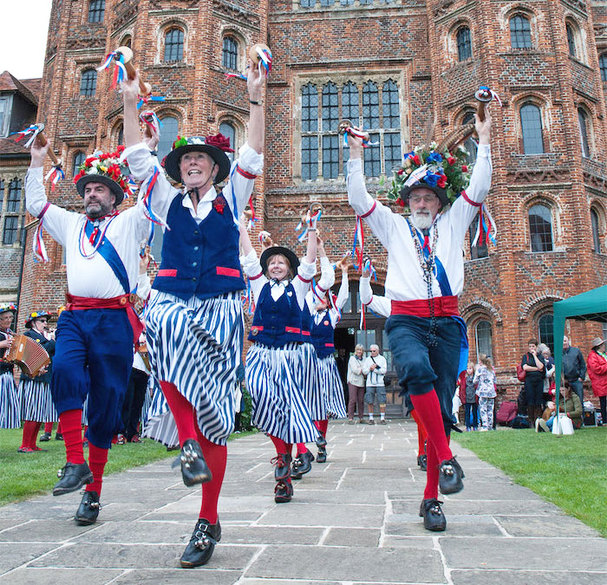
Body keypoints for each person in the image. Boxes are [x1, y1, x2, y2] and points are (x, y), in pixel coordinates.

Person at [121, 60, 265, 568]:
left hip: (222, 303)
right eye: (184, 160)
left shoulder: (234, 196)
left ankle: (208, 519)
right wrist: (130, 98)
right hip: (171, 295)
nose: (191, 164)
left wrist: (255, 97)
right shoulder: (165, 197)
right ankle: (186, 441)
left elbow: (254, 149)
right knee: (163, 343)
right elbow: (138, 153)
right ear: (178, 169)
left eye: (201, 159)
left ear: (215, 167)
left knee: (216, 419)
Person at [347, 109, 492, 532]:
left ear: (440, 202)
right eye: (415, 198)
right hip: (406, 320)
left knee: (442, 411)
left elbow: (480, 187)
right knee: (412, 368)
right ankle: (446, 457)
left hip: (447, 321)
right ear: (406, 203)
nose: (422, 203)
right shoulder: (393, 227)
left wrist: (483, 140)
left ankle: (431, 498)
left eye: (429, 197)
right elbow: (359, 200)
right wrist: (356, 155)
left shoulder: (455, 221)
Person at [25, 136, 149, 527]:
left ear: (114, 196)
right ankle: (74, 462)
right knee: (62, 371)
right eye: (88, 189)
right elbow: (36, 205)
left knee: (106, 404)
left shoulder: (130, 221)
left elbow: (153, 196)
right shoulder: (72, 222)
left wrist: (143, 150)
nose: (92, 194)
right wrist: (35, 161)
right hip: (75, 317)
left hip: (114, 320)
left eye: (100, 189)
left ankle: (92, 492)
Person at [239, 216, 319, 505]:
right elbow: (249, 259)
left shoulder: (297, 289)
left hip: (288, 355)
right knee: (261, 399)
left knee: (286, 410)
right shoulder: (259, 286)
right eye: (271, 262)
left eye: (280, 263)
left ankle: (283, 475)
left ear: (288, 269)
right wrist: (241, 228)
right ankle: (284, 455)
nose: (275, 265)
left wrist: (311, 231)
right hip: (261, 353)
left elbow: (310, 264)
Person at [18, 311, 57, 452]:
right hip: (33, 379)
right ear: (33, 323)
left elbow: (54, 352)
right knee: (32, 411)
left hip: (45, 378)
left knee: (41, 411)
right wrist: (52, 340)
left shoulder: (43, 336)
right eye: (42, 321)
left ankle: (32, 444)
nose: (45, 324)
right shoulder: (29, 336)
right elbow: (42, 351)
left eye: (46, 321)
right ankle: (25, 445)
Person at [0, 304, 19, 430]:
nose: (8, 320)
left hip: (7, 374)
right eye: (5, 317)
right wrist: (1, 344)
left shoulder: (11, 334)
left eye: (10, 317)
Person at [521, 339, 546, 425]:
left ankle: (537, 419)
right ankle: (531, 420)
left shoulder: (540, 356)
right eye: (530, 346)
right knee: (530, 399)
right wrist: (536, 369)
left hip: (539, 380)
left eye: (533, 346)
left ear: (536, 347)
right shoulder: (526, 356)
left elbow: (541, 366)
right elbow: (525, 367)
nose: (531, 348)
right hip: (529, 380)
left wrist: (535, 356)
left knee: (538, 399)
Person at [362, 344, 388, 424]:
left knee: (382, 401)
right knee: (370, 401)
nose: (372, 352)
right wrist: (370, 369)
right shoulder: (367, 360)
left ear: (378, 351)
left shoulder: (382, 359)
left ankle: (382, 418)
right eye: (371, 351)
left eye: (374, 351)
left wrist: (375, 369)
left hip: (380, 383)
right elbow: (364, 371)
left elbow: (384, 371)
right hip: (370, 383)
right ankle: (371, 418)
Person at [562, 336, 587, 414]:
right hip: (566, 381)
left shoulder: (576, 351)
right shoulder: (559, 353)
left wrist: (581, 377)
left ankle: (581, 420)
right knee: (568, 401)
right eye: (562, 341)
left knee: (579, 400)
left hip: (577, 380)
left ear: (568, 341)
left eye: (565, 341)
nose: (564, 343)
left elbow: (583, 365)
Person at [587, 336, 607, 425]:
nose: (604, 346)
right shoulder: (592, 356)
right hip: (600, 382)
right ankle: (605, 420)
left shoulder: (603, 354)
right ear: (599, 346)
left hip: (605, 381)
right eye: (603, 345)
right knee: (603, 402)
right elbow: (597, 369)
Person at [474, 355, 496, 431]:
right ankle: (490, 426)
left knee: (483, 409)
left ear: (480, 361)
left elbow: (475, 381)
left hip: (483, 391)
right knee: (490, 409)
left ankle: (485, 426)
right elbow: (494, 381)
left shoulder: (479, 370)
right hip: (491, 392)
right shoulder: (491, 369)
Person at [347, 344, 366, 423]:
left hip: (361, 382)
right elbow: (355, 370)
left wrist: (362, 369)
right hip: (353, 381)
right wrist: (362, 369)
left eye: (360, 350)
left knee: (361, 400)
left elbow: (365, 369)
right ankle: (350, 418)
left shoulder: (364, 359)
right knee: (353, 399)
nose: (359, 351)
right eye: (358, 350)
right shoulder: (352, 358)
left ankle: (361, 418)